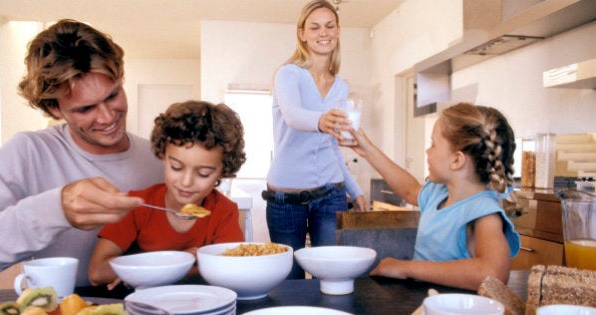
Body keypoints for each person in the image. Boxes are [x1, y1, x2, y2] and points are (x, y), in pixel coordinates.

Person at [0, 19, 164, 288]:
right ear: (54, 109)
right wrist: (56, 209)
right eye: (85, 109)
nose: (107, 117)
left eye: (112, 95)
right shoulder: (28, 152)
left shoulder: (159, 158)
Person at [343, 103, 520, 290]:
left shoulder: (483, 210)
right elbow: (410, 190)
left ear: (457, 160)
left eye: (433, 144)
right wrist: (367, 150)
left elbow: (493, 274)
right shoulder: (439, 193)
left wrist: (407, 268)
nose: (427, 152)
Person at [88, 100, 247, 289]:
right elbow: (97, 273)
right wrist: (184, 258)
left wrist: (141, 273)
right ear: (163, 156)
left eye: (203, 173)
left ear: (223, 171)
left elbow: (228, 273)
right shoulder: (137, 204)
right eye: (176, 167)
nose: (186, 182)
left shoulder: (224, 211)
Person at [262, 0, 369, 279]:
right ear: (302, 34)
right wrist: (321, 121)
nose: (324, 33)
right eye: (315, 27)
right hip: (286, 198)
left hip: (330, 194)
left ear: (338, 31)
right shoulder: (288, 74)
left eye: (330, 26)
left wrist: (355, 190)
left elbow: (332, 146)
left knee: (330, 276)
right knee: (289, 280)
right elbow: (294, 116)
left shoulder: (341, 86)